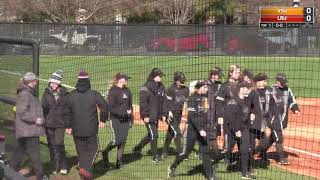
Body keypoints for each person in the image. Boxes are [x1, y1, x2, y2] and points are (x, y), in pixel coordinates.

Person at [168, 81, 220, 180]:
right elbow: (192, 117)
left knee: (205, 153)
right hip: (192, 131)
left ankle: (210, 176)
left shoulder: (205, 99)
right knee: (186, 153)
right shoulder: (192, 99)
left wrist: (208, 127)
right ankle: (172, 167)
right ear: (199, 88)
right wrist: (200, 129)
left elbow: (205, 116)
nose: (206, 90)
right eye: (205, 88)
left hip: (203, 131)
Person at [64, 70, 108, 179]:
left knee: (82, 152)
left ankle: (84, 172)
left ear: (78, 81)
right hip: (91, 130)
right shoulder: (94, 94)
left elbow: (65, 111)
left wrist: (68, 126)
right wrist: (102, 120)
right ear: (88, 81)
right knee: (95, 149)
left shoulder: (71, 95)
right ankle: (86, 168)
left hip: (76, 130)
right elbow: (105, 106)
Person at [10, 72, 48, 180]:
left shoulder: (26, 93)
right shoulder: (25, 94)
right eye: (35, 80)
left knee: (19, 151)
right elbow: (21, 112)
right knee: (35, 154)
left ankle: (11, 170)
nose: (36, 82)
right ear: (30, 82)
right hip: (29, 130)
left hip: (24, 130)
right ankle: (40, 176)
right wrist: (36, 119)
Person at [257, 73, 300, 165]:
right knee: (279, 138)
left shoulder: (287, 90)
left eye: (284, 82)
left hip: (283, 119)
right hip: (272, 119)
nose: (283, 84)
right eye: (282, 82)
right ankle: (282, 159)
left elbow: (292, 101)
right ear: (277, 81)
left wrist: (295, 109)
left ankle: (260, 152)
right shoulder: (270, 90)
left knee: (272, 138)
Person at [133, 68, 166, 163]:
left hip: (156, 115)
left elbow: (163, 101)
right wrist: (145, 115)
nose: (161, 78)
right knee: (154, 134)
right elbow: (143, 103)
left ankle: (137, 148)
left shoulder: (161, 87)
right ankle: (155, 157)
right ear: (154, 76)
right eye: (159, 76)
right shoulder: (146, 87)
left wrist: (164, 114)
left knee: (150, 134)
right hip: (148, 115)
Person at [224, 82, 256, 179]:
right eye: (247, 88)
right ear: (242, 89)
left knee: (245, 150)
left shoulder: (247, 100)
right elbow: (230, 117)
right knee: (228, 149)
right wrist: (236, 129)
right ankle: (212, 162)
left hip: (244, 129)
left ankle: (245, 173)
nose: (249, 90)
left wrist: (252, 113)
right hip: (233, 130)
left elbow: (251, 109)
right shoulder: (233, 101)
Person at [102, 73, 133, 169]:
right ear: (120, 80)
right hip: (115, 119)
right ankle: (105, 151)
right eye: (125, 79)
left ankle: (119, 162)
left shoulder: (128, 91)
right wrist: (122, 113)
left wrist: (131, 118)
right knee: (117, 140)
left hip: (125, 120)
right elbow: (111, 107)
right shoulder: (113, 91)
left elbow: (130, 105)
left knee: (123, 140)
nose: (127, 80)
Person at [248, 73, 279, 167]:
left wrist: (274, 116)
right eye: (263, 81)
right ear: (257, 82)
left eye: (265, 81)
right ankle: (249, 161)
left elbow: (274, 106)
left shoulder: (268, 93)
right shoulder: (253, 93)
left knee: (269, 138)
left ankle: (259, 152)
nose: (265, 82)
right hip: (254, 123)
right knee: (251, 142)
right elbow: (247, 106)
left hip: (265, 121)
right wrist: (250, 114)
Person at [41, 70, 68, 175]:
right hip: (49, 123)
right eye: (52, 82)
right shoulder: (46, 92)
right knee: (52, 145)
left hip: (61, 123)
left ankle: (63, 165)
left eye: (55, 83)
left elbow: (68, 108)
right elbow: (43, 106)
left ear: (59, 83)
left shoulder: (64, 93)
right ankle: (55, 166)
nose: (53, 84)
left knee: (59, 143)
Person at [161, 71, 189, 159]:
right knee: (178, 133)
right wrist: (166, 113)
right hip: (171, 114)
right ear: (176, 80)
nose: (182, 82)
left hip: (179, 114)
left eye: (183, 81)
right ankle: (180, 152)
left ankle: (164, 151)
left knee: (170, 133)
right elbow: (166, 102)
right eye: (181, 81)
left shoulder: (186, 90)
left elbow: (186, 101)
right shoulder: (171, 89)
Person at [216, 65, 241, 157]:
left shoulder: (240, 85)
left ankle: (240, 156)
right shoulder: (224, 86)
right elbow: (219, 103)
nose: (238, 74)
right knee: (228, 137)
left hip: (239, 116)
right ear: (230, 73)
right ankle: (227, 157)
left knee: (240, 136)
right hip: (228, 116)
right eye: (236, 72)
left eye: (239, 72)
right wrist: (219, 116)